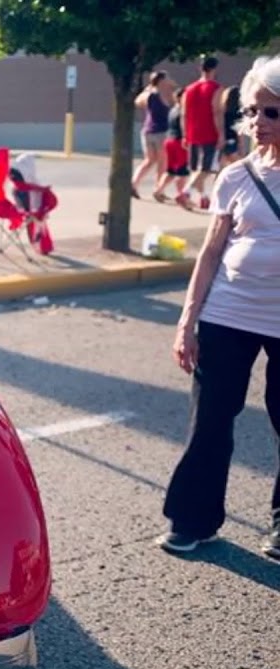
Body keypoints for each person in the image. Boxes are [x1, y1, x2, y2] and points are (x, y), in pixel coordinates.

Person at [160, 55, 280, 563]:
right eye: (253, 112)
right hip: (227, 313)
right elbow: (210, 252)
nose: (258, 123)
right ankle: (192, 520)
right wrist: (188, 319)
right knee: (210, 418)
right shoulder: (235, 176)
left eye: (271, 113)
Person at [181, 56, 226, 211]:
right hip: (209, 132)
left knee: (196, 169)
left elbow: (184, 113)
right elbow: (217, 111)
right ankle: (185, 193)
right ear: (214, 69)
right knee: (206, 169)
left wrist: (185, 134)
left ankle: (203, 197)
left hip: (193, 132)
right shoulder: (216, 88)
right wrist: (221, 133)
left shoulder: (189, 89)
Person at [132, 71, 174, 198]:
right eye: (166, 79)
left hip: (147, 130)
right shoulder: (159, 94)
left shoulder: (148, 94)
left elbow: (137, 102)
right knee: (162, 162)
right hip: (160, 131)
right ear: (161, 80)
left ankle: (133, 183)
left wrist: (147, 90)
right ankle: (158, 189)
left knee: (149, 160)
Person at [154, 87, 192, 208]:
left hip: (169, 140)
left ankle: (158, 190)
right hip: (179, 142)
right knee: (182, 172)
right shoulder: (182, 111)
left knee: (170, 171)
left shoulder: (172, 110)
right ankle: (182, 197)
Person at [221, 85, 245, 165]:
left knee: (223, 166)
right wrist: (241, 146)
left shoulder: (223, 112)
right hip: (232, 140)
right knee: (239, 165)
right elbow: (239, 131)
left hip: (223, 140)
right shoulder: (237, 114)